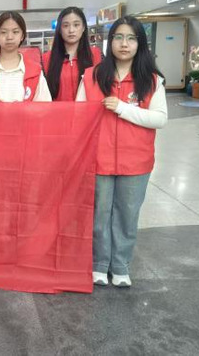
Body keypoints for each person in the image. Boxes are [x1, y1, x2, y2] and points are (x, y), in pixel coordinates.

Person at [76, 16, 168, 288]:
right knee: (99, 215)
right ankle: (99, 264)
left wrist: (123, 108)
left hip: (136, 161)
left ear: (140, 44)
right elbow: (78, 116)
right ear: (110, 42)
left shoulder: (152, 80)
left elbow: (160, 119)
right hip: (98, 159)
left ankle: (120, 266)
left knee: (127, 215)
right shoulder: (92, 76)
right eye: (118, 37)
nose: (124, 44)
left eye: (131, 38)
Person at [0, 11, 52, 102]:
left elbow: (45, 107)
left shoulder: (35, 71)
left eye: (15, 32)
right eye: (3, 32)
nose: (9, 37)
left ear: (22, 36)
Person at [42, 7, 102, 101]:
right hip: (56, 110)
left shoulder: (96, 55)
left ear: (83, 27)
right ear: (59, 29)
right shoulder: (46, 59)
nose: (71, 30)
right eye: (66, 25)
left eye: (76, 25)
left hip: (88, 110)